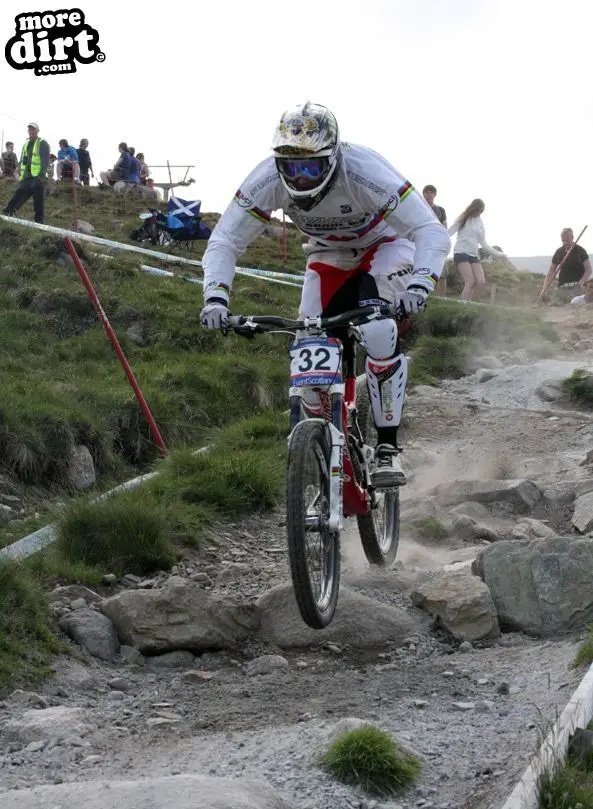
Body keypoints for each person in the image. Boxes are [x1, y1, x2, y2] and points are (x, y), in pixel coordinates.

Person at [200, 102, 450, 487]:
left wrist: (420, 284)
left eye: (310, 167)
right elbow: (226, 239)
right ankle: (322, 438)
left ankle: (387, 449)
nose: (299, 178)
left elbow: (429, 230)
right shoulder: (266, 180)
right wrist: (215, 296)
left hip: (385, 247)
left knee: (380, 329)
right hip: (327, 255)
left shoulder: (364, 172)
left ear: (332, 158)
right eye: (290, 167)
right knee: (308, 350)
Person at [448, 198, 505, 301]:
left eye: (481, 211)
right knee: (470, 282)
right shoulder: (462, 218)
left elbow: (483, 243)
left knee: (480, 281)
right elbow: (449, 232)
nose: (479, 213)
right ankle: (462, 307)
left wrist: (498, 254)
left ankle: (471, 307)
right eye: (478, 210)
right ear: (473, 208)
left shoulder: (480, 223)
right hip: (461, 252)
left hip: (474, 254)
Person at [3, 123, 50, 224]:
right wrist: (18, 167)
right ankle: (8, 212)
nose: (31, 131)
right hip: (27, 176)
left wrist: (41, 176)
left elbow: (45, 161)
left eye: (33, 129)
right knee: (19, 194)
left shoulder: (42, 143)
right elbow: (23, 159)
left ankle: (39, 222)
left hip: (38, 177)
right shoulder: (25, 144)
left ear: (38, 131)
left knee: (38, 200)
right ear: (28, 131)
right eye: (30, 129)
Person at [539, 228, 592, 305]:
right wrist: (544, 289)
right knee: (553, 304)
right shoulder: (559, 252)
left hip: (577, 287)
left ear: (572, 238)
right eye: (563, 240)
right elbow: (551, 270)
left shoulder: (580, 251)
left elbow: (588, 269)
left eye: (567, 240)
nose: (565, 242)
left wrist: (581, 282)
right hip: (562, 287)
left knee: (575, 303)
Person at [422, 184, 448, 295]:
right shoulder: (419, 207)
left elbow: (444, 227)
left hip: (437, 244)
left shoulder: (440, 210)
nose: (429, 194)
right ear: (423, 194)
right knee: (420, 270)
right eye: (426, 192)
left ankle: (440, 298)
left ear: (435, 194)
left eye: (431, 192)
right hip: (422, 243)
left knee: (442, 272)